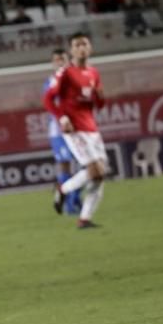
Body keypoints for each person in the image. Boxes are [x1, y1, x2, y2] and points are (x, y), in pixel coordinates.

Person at [44, 33, 107, 229]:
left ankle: (84, 218)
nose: (81, 48)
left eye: (84, 44)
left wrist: (100, 96)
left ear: (90, 48)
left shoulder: (93, 73)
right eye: (77, 45)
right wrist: (62, 118)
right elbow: (48, 99)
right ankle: (64, 190)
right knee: (94, 170)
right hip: (74, 129)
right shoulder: (66, 73)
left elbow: (99, 105)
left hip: (91, 128)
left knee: (100, 175)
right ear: (72, 50)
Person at [42, 48, 80, 215]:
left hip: (77, 127)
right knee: (65, 165)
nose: (60, 62)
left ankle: (73, 196)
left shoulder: (75, 78)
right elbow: (50, 104)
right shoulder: (50, 82)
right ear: (52, 63)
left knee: (85, 164)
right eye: (57, 59)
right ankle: (70, 204)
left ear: (68, 60)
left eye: (63, 59)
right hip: (58, 131)